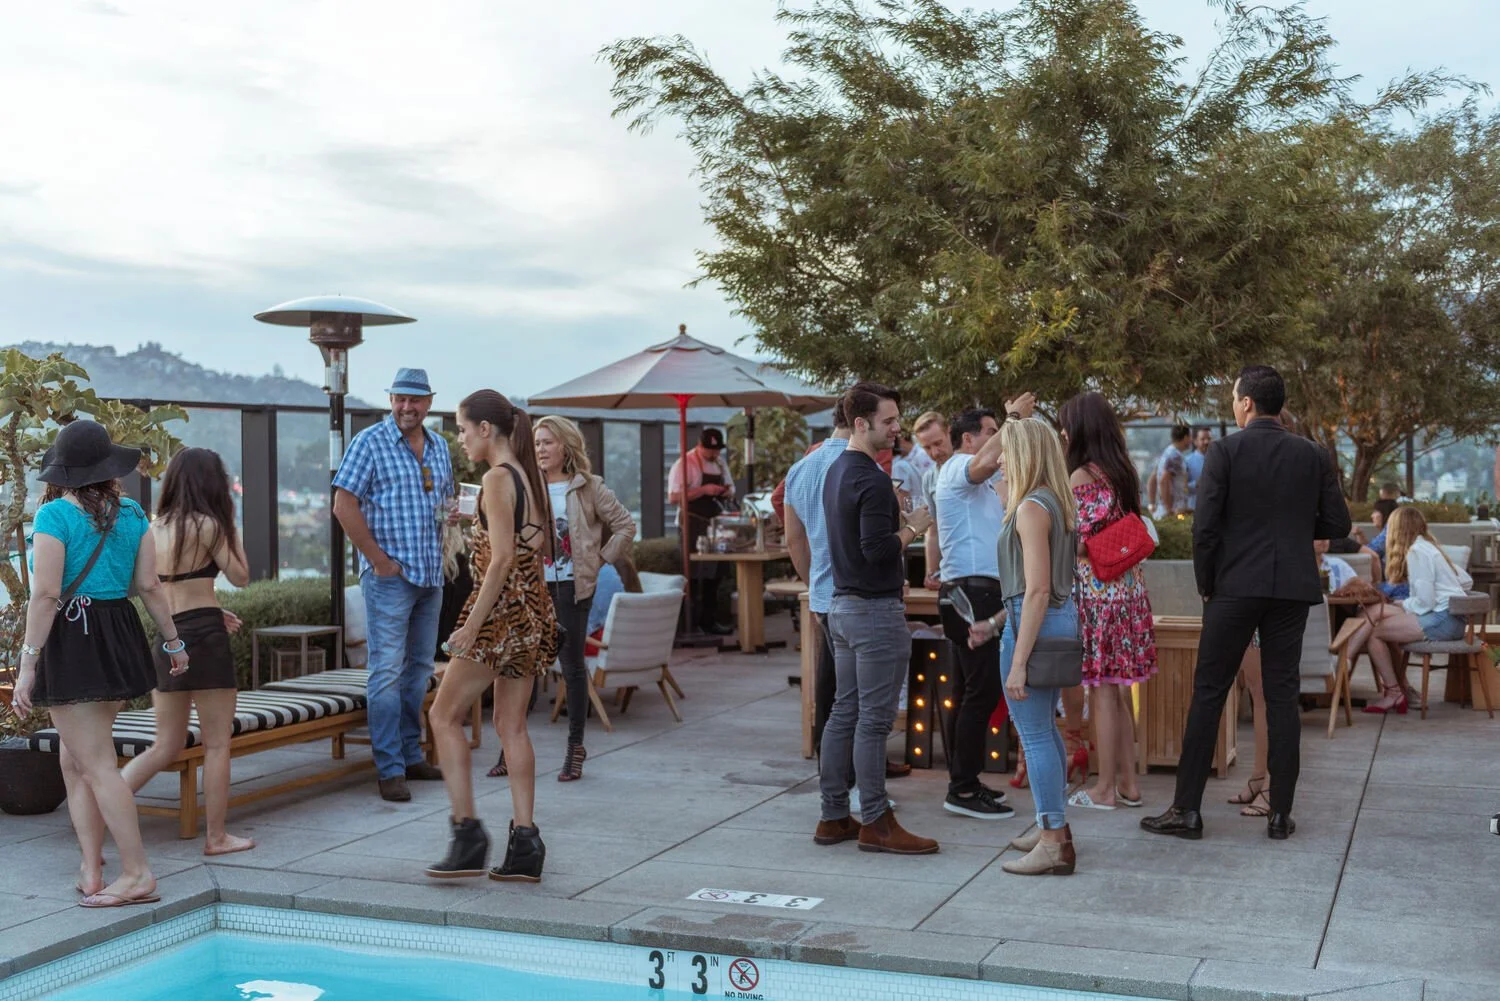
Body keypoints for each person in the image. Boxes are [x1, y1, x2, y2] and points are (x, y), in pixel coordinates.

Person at [1142, 366, 1350, 843]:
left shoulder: (1226, 452)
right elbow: (1337, 522)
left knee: (1209, 693)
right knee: (1281, 696)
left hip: (1233, 587)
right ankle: (1280, 814)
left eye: (1235, 398)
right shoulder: (1313, 455)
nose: (1234, 405)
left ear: (1248, 403)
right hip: (1292, 589)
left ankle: (1186, 811)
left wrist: (1207, 585)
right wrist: (1293, 527)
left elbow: (1205, 528)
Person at [10, 420, 190, 906]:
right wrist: (173, 642)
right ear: (108, 468)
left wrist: (27, 664)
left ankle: (137, 873)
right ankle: (91, 868)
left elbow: (46, 594)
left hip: (75, 636)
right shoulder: (132, 513)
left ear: (62, 472)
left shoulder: (53, 517)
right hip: (117, 632)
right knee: (76, 758)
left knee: (95, 763)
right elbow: (149, 587)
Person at [425, 391, 560, 883]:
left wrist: (470, 626)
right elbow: (529, 550)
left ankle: (467, 834)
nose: (459, 439)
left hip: (499, 618)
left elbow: (501, 560)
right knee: (511, 727)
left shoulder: (497, 478)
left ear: (486, 429)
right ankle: (525, 844)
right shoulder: (528, 476)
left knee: (441, 715)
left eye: (462, 429)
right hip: (530, 617)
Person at [815, 383, 938, 855]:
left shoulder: (838, 470)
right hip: (872, 612)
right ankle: (877, 821)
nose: (897, 427)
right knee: (872, 721)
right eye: (888, 421)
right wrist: (915, 526)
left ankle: (832, 816)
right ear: (861, 423)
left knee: (843, 713)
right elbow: (877, 550)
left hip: (843, 608)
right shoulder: (867, 476)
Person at [118, 447, 255, 858]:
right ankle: (215, 838)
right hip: (207, 640)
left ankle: (101, 806)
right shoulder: (211, 525)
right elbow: (242, 576)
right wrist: (230, 529)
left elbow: (150, 588)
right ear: (213, 483)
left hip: (167, 637)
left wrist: (213, 607)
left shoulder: (150, 527)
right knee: (216, 743)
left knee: (166, 745)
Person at [965, 414, 1080, 875]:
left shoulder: (1033, 506)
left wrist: (1017, 660)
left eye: (1006, 453)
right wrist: (996, 624)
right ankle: (1053, 826)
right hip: (1046, 619)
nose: (999, 462)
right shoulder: (1052, 501)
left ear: (1025, 455)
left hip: (1035, 623)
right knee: (1044, 732)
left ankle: (1053, 838)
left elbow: (1034, 590)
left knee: (1034, 735)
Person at [333, 367, 453, 802]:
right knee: (385, 670)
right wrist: (378, 561)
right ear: (391, 400)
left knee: (419, 668)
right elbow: (342, 504)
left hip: (430, 573)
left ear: (429, 402)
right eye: (400, 398)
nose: (407, 407)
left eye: (415, 400)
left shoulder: (440, 446)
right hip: (390, 578)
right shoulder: (370, 442)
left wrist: (450, 517)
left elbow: (443, 503)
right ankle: (389, 769)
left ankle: (410, 754)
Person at [1058, 393, 1155, 811]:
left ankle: (1104, 790)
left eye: (1065, 427)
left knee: (1101, 692)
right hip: (1128, 591)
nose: (1062, 434)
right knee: (1115, 690)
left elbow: (1081, 542)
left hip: (1099, 595)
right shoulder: (1122, 471)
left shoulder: (1081, 476)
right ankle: (1129, 785)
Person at [529, 415, 636, 781]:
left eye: (547, 442)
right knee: (523, 666)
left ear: (565, 446)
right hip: (533, 586)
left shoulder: (588, 486)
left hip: (573, 587)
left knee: (572, 668)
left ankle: (575, 748)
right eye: (537, 442)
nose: (540, 449)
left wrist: (600, 559)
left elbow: (625, 524)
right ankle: (508, 749)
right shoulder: (528, 485)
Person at [933, 402, 1025, 821]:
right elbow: (987, 462)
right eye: (989, 432)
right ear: (968, 439)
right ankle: (963, 788)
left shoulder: (981, 484)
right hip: (971, 595)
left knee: (970, 692)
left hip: (979, 593)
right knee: (981, 692)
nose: (996, 440)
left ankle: (963, 781)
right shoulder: (957, 467)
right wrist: (1014, 420)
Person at [1344, 506, 1473, 714]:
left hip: (1443, 620)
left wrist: (1402, 604)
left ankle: (1391, 691)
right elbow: (1466, 581)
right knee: (1375, 613)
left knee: (1376, 633)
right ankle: (1348, 663)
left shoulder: (1416, 553)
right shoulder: (1428, 547)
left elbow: (1425, 603)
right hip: (1452, 617)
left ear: (1397, 530)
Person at [668, 428, 734, 636]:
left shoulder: (720, 464)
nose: (713, 454)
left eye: (716, 450)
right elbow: (673, 497)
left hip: (715, 523)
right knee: (694, 573)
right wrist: (704, 491)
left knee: (714, 573)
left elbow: (732, 488)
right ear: (700, 445)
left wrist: (725, 491)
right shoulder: (685, 464)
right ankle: (691, 622)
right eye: (709, 450)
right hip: (692, 523)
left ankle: (709, 620)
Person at [912, 411, 953, 590]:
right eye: (927, 448)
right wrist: (931, 571)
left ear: (949, 433)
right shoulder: (929, 477)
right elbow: (933, 531)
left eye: (938, 443)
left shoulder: (972, 465)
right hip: (948, 569)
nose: (935, 452)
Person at [1151, 425, 1193, 518]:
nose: (1191, 440)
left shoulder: (1167, 452)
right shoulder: (1175, 456)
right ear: (1185, 437)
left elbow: (1152, 479)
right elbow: (1164, 481)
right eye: (1190, 436)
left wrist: (1152, 504)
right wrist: (1169, 510)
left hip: (1167, 510)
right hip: (1173, 512)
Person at [1186, 428, 1213, 512]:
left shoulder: (1219, 459)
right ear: (1195, 442)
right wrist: (1196, 484)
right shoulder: (1187, 461)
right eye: (1202, 439)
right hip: (1193, 508)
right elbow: (1181, 488)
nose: (1206, 442)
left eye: (1209, 439)